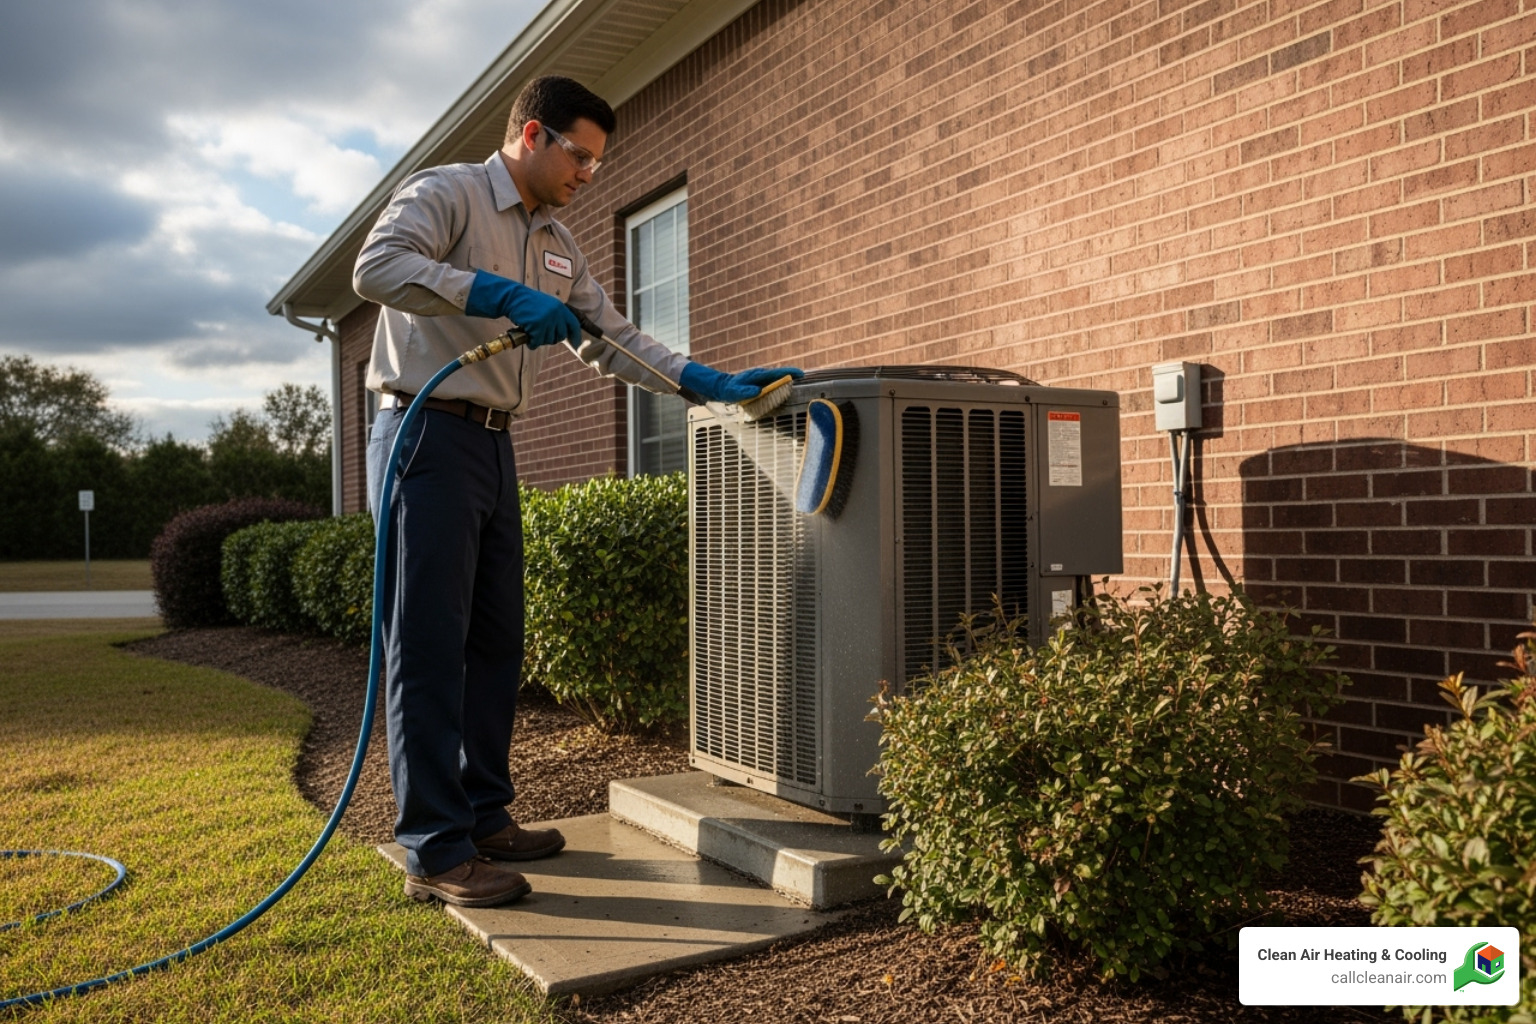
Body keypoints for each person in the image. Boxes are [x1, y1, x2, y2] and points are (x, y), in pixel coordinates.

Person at [353, 75, 802, 908]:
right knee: (427, 644)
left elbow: (613, 337)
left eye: (599, 161)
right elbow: (376, 269)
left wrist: (705, 381)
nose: (590, 174)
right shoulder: (446, 193)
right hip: (422, 434)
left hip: (493, 447)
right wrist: (488, 291)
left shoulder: (558, 244)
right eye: (581, 155)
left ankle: (484, 815)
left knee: (495, 641)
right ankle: (437, 850)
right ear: (531, 135)